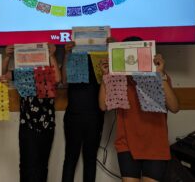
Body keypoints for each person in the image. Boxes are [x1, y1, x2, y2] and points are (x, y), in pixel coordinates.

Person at [99, 37, 180, 182]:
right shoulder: (119, 80)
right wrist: (106, 75)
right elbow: (103, 106)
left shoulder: (159, 77)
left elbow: (174, 107)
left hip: (156, 144)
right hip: (127, 145)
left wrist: (160, 74)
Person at [0, 43, 61, 182]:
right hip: (28, 126)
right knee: (27, 166)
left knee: (42, 166)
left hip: (47, 125)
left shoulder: (47, 72)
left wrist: (51, 55)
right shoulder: (22, 73)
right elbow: (2, 75)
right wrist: (7, 57)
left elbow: (57, 79)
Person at [61, 41, 105, 182]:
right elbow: (64, 81)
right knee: (70, 159)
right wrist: (67, 54)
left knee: (90, 160)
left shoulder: (101, 58)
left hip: (95, 115)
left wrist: (112, 49)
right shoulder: (74, 55)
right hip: (73, 115)